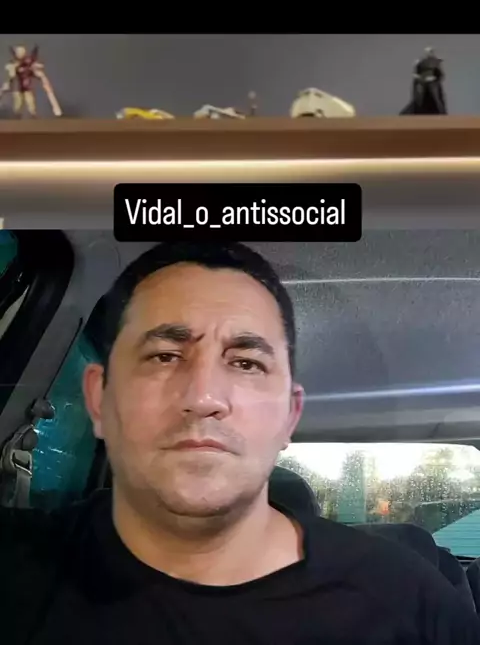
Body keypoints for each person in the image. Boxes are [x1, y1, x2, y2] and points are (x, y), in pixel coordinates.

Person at [1, 241, 480, 645]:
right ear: (98, 398)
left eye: (247, 363)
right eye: (165, 355)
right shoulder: (13, 575)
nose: (204, 397)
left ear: (290, 415)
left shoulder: (412, 605)